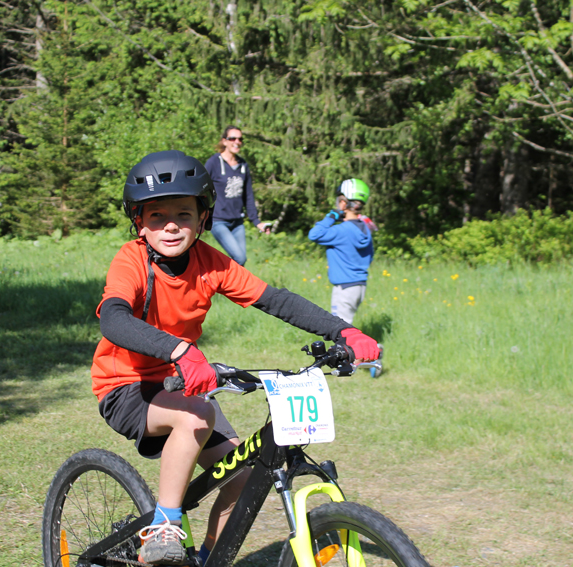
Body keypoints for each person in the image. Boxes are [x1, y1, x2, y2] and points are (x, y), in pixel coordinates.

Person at [91, 151, 380, 565]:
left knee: (241, 475)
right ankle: (164, 525)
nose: (171, 225)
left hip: (183, 381)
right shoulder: (132, 259)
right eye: (157, 215)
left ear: (203, 218)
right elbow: (113, 318)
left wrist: (343, 330)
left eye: (184, 214)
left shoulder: (211, 263)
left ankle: (206, 560)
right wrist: (179, 350)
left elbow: (275, 300)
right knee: (197, 415)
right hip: (126, 385)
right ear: (139, 221)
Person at [308, 178, 375, 325]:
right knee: (345, 327)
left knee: (340, 330)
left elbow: (314, 234)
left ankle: (368, 344)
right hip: (360, 286)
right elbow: (370, 256)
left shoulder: (341, 231)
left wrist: (331, 217)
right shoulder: (365, 228)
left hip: (344, 288)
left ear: (343, 203)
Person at [204, 126, 269, 266]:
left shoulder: (243, 165)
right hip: (218, 220)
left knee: (240, 264)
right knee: (239, 258)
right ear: (224, 141)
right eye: (232, 138)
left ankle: (228, 280)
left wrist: (256, 221)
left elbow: (248, 195)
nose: (237, 142)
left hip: (237, 222)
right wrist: (200, 217)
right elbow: (202, 189)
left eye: (240, 139)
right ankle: (219, 276)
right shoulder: (214, 163)